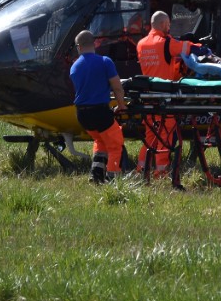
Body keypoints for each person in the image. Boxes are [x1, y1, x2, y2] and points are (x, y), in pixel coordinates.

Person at [135, 10, 192, 178]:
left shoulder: (141, 44)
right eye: (168, 24)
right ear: (162, 24)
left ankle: (141, 170)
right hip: (164, 98)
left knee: (150, 136)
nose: (170, 27)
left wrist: (176, 68)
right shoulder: (166, 42)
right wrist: (199, 47)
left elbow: (160, 66)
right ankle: (161, 172)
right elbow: (187, 48)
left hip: (148, 97)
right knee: (165, 136)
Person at [69, 30, 127, 184]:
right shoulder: (105, 61)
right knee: (116, 144)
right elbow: (117, 87)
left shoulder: (74, 66)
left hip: (82, 115)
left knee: (101, 141)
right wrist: (122, 106)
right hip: (100, 111)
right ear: (94, 43)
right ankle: (113, 180)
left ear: (79, 47)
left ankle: (96, 176)